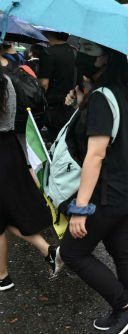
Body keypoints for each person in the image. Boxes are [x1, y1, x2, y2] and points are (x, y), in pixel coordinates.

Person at [59, 40, 128, 333]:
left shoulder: (101, 98)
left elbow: (96, 155)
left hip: (107, 194)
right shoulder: (116, 92)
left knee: (72, 252)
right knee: (121, 249)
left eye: (89, 51)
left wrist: (80, 208)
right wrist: (82, 99)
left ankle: (126, 306)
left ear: (104, 61)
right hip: (126, 189)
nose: (82, 55)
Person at [0, 67, 63, 291]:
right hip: (11, 147)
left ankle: (3, 277)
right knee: (5, 215)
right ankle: (48, 251)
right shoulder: (7, 80)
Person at [38, 31, 79, 143]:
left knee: (54, 138)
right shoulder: (75, 51)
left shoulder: (48, 53)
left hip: (54, 106)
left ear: (51, 34)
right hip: (74, 102)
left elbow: (44, 84)